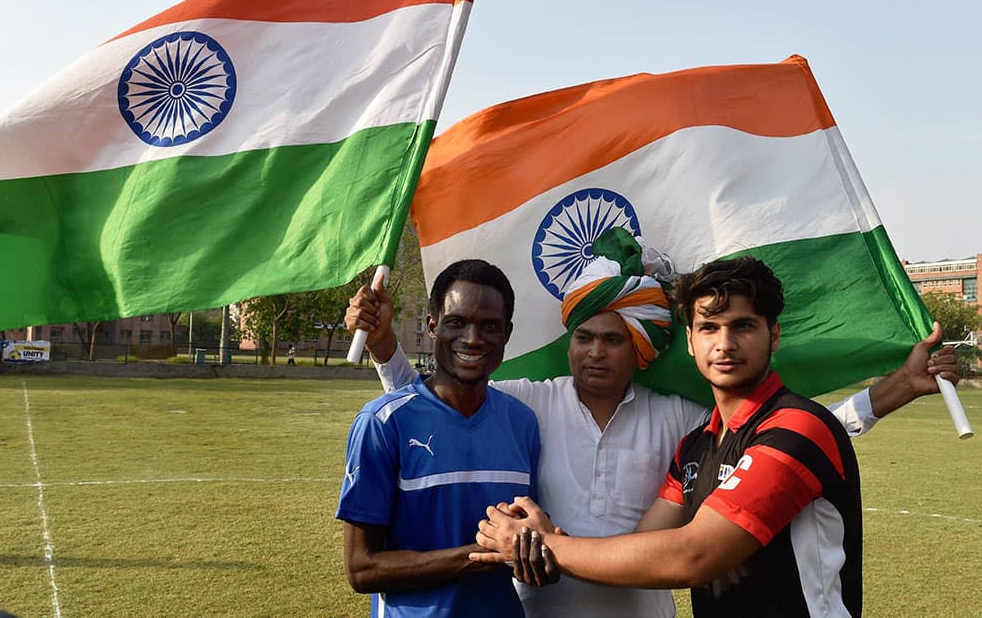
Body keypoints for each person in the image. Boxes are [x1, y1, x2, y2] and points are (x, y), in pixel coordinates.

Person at [346, 229, 959, 617]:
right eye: (583, 337)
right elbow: (436, 409)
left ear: (642, 348)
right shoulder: (530, 403)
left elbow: (789, 441)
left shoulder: (684, 422)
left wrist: (892, 390)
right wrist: (382, 347)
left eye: (613, 339)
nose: (594, 352)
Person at [473, 256, 884, 615]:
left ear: (773, 335)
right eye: (708, 327)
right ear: (690, 341)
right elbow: (641, 548)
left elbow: (693, 556)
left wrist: (546, 545)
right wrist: (540, 549)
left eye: (742, 326)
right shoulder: (696, 445)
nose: (725, 344)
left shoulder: (797, 426)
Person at [336, 259, 541, 618]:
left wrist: (537, 553)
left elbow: (524, 541)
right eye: (457, 322)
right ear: (433, 326)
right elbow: (361, 568)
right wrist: (480, 554)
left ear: (507, 333)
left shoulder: (522, 422)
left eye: (489, 326)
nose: (473, 339)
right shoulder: (382, 422)